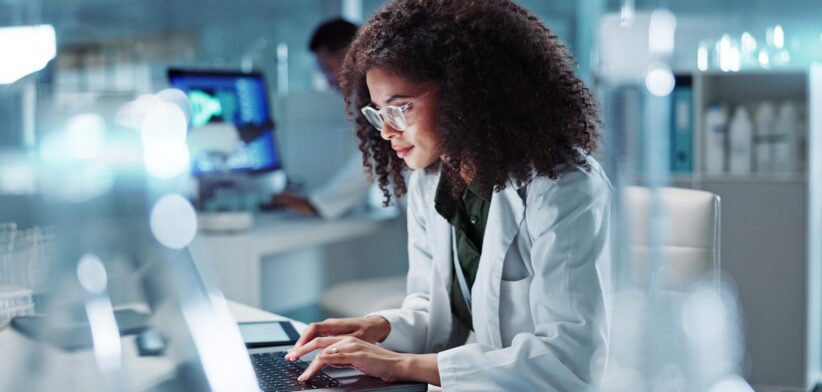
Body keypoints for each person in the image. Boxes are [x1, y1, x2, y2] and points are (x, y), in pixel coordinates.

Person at [285, 0, 613, 390]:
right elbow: (434, 311)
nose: (386, 131)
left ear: (466, 93)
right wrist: (379, 327)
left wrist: (402, 365)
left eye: (400, 108)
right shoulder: (432, 180)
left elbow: (567, 361)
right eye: (378, 113)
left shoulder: (561, 186)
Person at [271, 18, 376, 219]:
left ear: (350, 56)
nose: (328, 81)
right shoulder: (365, 96)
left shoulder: (375, 93)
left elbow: (371, 157)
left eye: (328, 69)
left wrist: (317, 204)